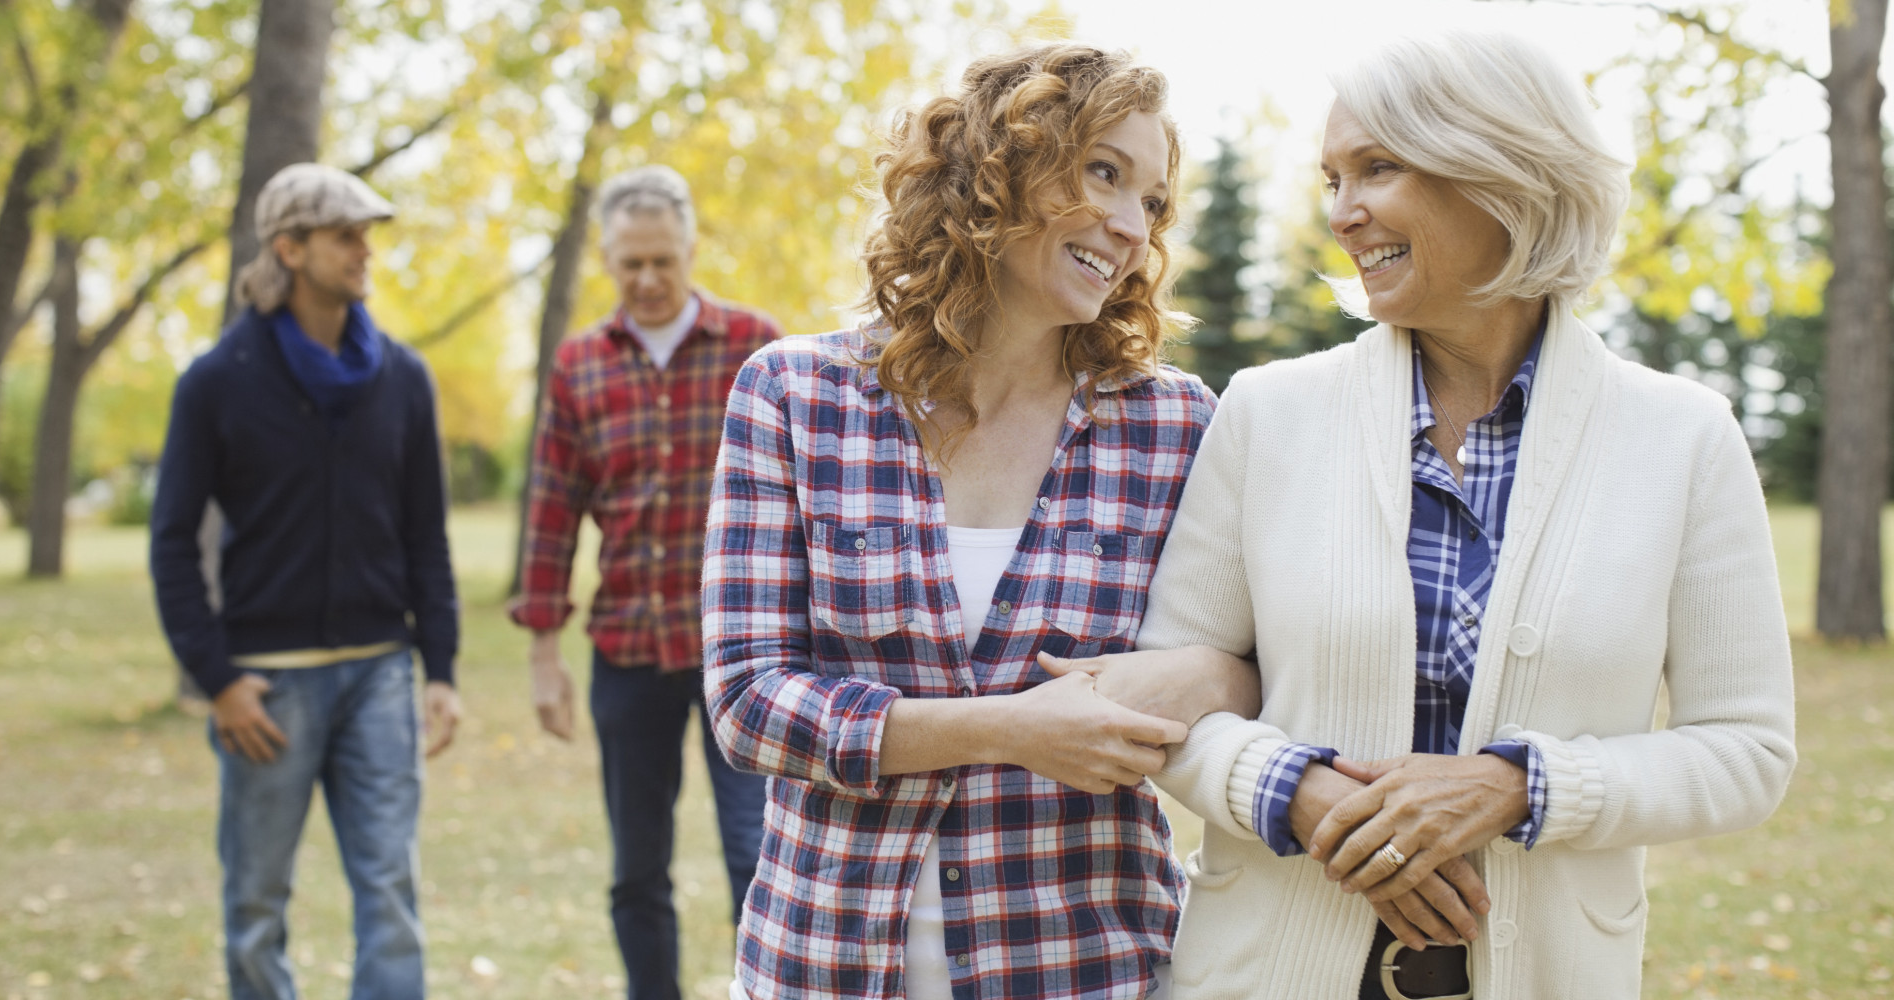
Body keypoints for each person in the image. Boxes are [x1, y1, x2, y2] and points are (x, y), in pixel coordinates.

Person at [1083, 31, 1795, 1000]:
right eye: (1331, 178)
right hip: (1265, 970)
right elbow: (1173, 703)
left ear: (1504, 173)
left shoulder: (1684, 437)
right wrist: (1300, 791)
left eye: (1378, 166)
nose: (1342, 212)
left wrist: (1515, 786)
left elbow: (1744, 752)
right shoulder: (1265, 411)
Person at [702, 44, 1259, 1000]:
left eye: (1154, 203)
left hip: (1084, 966)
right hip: (825, 964)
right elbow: (749, 704)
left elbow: (1260, 673)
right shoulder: (794, 394)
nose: (1131, 227)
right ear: (998, 170)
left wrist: (1220, 674)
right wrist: (1008, 729)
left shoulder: (1175, 427)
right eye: (1102, 174)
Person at [149, 161, 462, 1000]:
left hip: (380, 679)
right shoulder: (215, 381)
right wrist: (216, 681)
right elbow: (172, 542)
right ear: (289, 248)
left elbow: (426, 535)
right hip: (267, 689)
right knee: (255, 904)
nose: (365, 251)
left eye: (367, 234)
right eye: (345, 235)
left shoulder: (403, 376)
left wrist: (442, 670)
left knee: (391, 894)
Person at [512, 164, 780, 1000]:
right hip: (627, 650)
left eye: (664, 261)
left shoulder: (755, 346)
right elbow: (552, 512)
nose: (649, 280)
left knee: (758, 853)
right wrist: (542, 657)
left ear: (690, 250)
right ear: (608, 261)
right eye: (631, 265)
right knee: (637, 868)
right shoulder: (581, 364)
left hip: (743, 654)